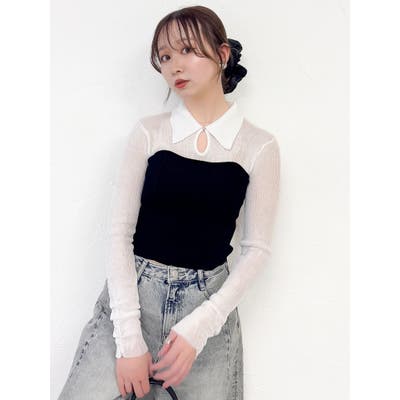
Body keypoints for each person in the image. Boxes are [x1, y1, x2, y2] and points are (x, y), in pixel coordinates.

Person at [58, 5, 280, 400]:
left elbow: (257, 250)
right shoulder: (150, 132)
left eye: (187, 50)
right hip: (132, 300)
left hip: (207, 310)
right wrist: (129, 340)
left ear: (222, 54)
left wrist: (200, 328)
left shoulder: (258, 145)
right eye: (164, 56)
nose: (174, 65)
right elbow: (119, 234)